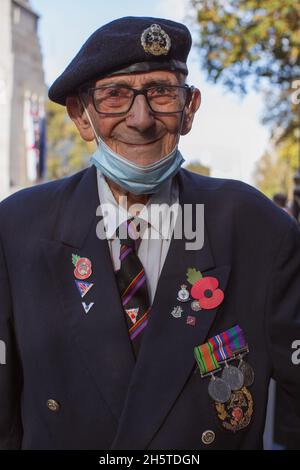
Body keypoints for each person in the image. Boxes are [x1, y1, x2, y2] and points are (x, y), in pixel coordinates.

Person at [0, 16, 299, 450]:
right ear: (82, 117)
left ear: (189, 108)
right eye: (115, 96)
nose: (140, 119)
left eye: (161, 92)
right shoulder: (16, 231)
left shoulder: (258, 229)